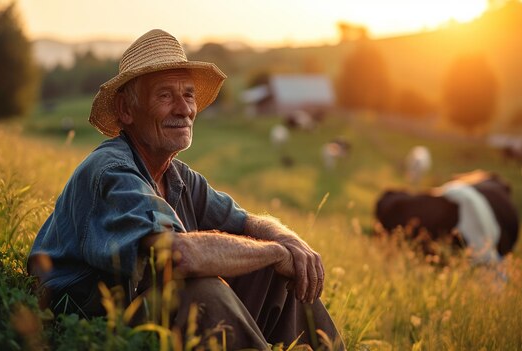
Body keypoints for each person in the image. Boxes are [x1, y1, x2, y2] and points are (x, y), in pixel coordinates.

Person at [28, 29, 345, 350]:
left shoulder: (178, 177)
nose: (184, 109)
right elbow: (177, 256)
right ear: (126, 110)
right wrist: (274, 252)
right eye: (165, 95)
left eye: (189, 95)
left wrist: (285, 238)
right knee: (203, 293)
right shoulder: (112, 170)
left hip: (135, 312)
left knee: (278, 277)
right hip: (87, 323)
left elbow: (247, 220)